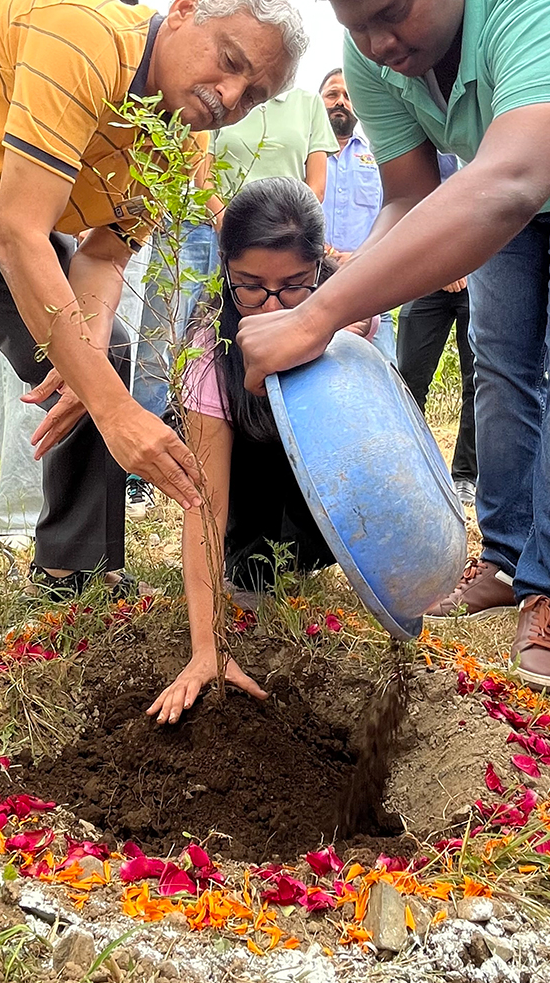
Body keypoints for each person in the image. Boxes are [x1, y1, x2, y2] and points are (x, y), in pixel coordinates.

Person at [237, 0, 550, 692]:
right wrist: (354, 303)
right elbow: (410, 199)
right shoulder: (375, 60)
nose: (383, 44)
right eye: (359, 27)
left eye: (395, 11)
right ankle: (504, 557)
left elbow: (510, 182)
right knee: (498, 363)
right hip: (499, 185)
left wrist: (313, 317)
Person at [0, 0, 307, 606]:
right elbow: (19, 237)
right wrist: (116, 411)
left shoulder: (169, 143)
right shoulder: (86, 36)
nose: (230, 95)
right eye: (229, 61)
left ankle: (76, 573)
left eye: (254, 95)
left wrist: (87, 371)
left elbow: (103, 256)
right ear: (182, 10)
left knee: (105, 355)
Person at [147, 177, 379, 725]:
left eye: (295, 285)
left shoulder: (351, 320)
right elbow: (204, 503)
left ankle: (316, 553)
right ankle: (256, 563)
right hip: (251, 521)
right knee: (255, 574)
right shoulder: (211, 352)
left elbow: (380, 450)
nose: (271, 306)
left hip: (329, 510)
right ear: (225, 272)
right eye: (249, 286)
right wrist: (207, 648)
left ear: (319, 269)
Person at [0, 0, 145, 549]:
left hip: (53, 228)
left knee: (102, 345)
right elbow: (16, 222)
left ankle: (74, 560)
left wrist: (86, 330)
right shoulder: (45, 30)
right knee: (62, 357)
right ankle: (19, 517)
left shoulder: (137, 78)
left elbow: (106, 248)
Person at [128, 0, 221, 520]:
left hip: (206, 229)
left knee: (199, 344)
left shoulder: (216, 104)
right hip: (167, 225)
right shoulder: (153, 82)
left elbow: (204, 172)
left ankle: (188, 456)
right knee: (156, 344)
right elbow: (186, 177)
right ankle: (140, 472)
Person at [395, 153, 478, 508]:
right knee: (408, 377)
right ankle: (409, 467)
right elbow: (412, 206)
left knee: (478, 380)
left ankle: (465, 477)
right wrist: (443, 264)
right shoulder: (423, 141)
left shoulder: (488, 136)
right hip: (428, 271)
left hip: (483, 271)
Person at [319, 66, 395, 362]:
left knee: (385, 368)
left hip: (368, 282)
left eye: (349, 96)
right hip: (313, 282)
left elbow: (392, 213)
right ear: (318, 102)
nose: (341, 101)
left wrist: (361, 255)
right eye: (332, 94)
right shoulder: (303, 153)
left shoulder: (379, 157)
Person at [214, 86, 338, 203]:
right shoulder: (223, 96)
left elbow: (316, 190)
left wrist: (287, 222)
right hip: (221, 219)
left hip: (286, 218)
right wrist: (225, 221)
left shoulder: (309, 102)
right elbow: (203, 178)